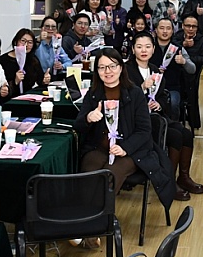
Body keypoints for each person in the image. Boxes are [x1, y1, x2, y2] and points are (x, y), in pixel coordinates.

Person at [73, 48, 175, 207]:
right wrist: (88, 118)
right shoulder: (93, 94)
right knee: (89, 174)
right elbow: (78, 125)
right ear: (97, 71)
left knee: (110, 175)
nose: (108, 71)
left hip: (131, 151)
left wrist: (125, 148)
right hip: (98, 148)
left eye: (112, 66)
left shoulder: (135, 93)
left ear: (121, 68)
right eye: (102, 67)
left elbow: (144, 131)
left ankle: (101, 216)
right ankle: (90, 215)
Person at [127, 32, 203, 201]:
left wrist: (159, 104)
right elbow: (125, 99)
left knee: (186, 134)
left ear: (153, 49)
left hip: (157, 116)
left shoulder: (155, 70)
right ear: (133, 50)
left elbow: (163, 95)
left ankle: (183, 177)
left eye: (148, 47)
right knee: (175, 136)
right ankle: (168, 182)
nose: (144, 50)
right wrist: (141, 87)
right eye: (139, 47)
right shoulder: (126, 71)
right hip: (138, 122)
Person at [173, 14, 203, 130]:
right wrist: (183, 44)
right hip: (175, 74)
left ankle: (192, 121)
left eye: (194, 26)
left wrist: (188, 60)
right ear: (183, 26)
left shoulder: (202, 41)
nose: (190, 29)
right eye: (188, 26)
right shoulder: (176, 37)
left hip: (192, 75)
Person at [150, 17, 195, 122]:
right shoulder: (149, 47)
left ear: (172, 31)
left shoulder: (178, 48)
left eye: (168, 28)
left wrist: (184, 62)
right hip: (150, 88)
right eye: (161, 28)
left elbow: (192, 69)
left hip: (172, 88)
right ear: (156, 30)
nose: (165, 31)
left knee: (173, 104)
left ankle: (173, 127)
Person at [0, 28, 48, 93]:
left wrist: (45, 80)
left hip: (29, 96)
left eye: (30, 42)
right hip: (11, 97)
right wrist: (15, 81)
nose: (26, 45)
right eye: (23, 41)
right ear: (15, 42)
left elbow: (40, 81)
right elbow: (1, 89)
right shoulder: (3, 60)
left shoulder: (33, 59)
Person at [35, 16, 73, 81]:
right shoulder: (36, 42)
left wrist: (62, 66)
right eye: (47, 26)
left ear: (56, 30)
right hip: (37, 79)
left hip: (53, 79)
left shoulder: (57, 45)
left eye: (53, 27)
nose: (50, 29)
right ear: (42, 28)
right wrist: (39, 40)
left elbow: (68, 62)